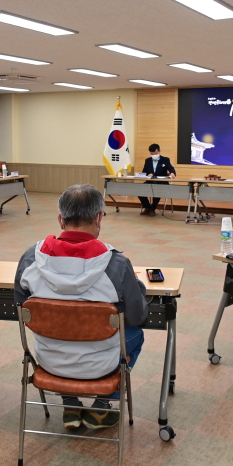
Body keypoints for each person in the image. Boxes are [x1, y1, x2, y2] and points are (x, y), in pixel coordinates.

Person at [14, 184, 148, 430]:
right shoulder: (117, 264)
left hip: (49, 361)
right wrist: (138, 288)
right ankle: (102, 406)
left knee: (61, 330)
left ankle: (70, 404)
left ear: (60, 219)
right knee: (136, 335)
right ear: (99, 218)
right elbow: (137, 316)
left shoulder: (30, 258)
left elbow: (22, 309)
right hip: (101, 364)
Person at [137, 143, 176, 216]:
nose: (154, 155)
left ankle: (153, 209)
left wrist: (172, 173)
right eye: (152, 154)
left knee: (157, 190)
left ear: (159, 151)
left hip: (161, 182)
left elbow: (171, 168)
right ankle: (148, 207)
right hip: (150, 181)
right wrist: (148, 174)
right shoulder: (148, 160)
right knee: (139, 190)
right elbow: (144, 172)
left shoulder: (165, 160)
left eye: (155, 153)